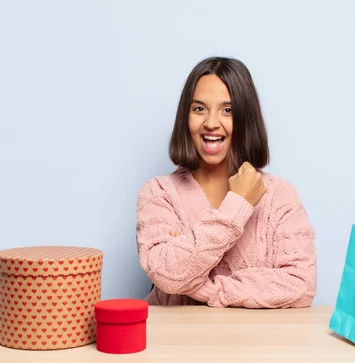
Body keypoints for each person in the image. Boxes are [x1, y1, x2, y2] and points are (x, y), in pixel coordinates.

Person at [135, 56, 317, 308]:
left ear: (246, 118)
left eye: (228, 110)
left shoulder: (279, 195)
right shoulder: (159, 193)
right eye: (199, 109)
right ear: (185, 118)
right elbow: (167, 272)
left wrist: (206, 288)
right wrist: (238, 204)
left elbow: (301, 286)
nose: (211, 122)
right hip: (175, 342)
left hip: (255, 344)